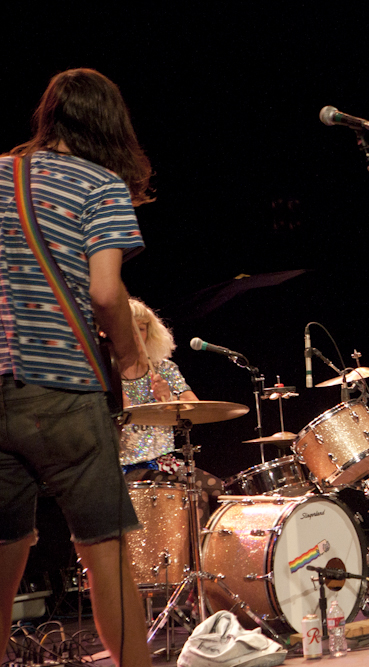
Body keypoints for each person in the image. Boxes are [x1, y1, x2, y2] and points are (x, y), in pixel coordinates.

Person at [0, 68, 153, 667]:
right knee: (105, 550)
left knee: (4, 552)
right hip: (62, 390)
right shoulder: (100, 187)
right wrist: (133, 359)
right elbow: (108, 294)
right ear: (111, 125)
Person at [119, 298, 223, 520]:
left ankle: (206, 552)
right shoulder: (108, 372)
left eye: (142, 329)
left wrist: (169, 397)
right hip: (126, 468)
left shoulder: (164, 368)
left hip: (165, 463)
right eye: (130, 329)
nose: (137, 336)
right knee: (196, 496)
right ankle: (193, 554)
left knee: (222, 492)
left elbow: (194, 407)